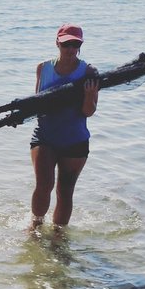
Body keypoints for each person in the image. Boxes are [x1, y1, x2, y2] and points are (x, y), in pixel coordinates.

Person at [30, 23, 99, 228]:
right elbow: (36, 103)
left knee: (65, 191)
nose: (70, 49)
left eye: (75, 45)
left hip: (75, 139)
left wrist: (88, 95)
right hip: (45, 135)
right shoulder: (43, 68)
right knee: (44, 185)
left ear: (80, 46)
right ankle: (35, 226)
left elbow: (89, 112)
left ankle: (59, 236)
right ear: (57, 43)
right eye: (66, 44)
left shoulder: (88, 71)